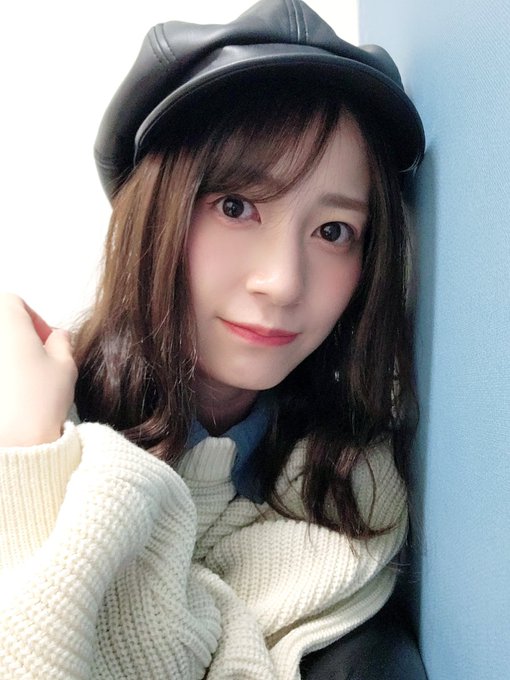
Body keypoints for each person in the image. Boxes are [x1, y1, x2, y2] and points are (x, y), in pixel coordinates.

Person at [0, 0, 425, 677]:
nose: (282, 282)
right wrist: (27, 461)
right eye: (236, 206)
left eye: (333, 231)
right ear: (154, 213)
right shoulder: (37, 409)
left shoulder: (350, 500)